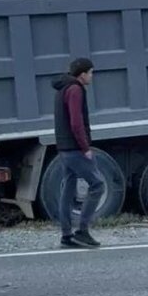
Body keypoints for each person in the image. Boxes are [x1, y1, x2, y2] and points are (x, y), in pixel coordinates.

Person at [52, 57, 104, 248]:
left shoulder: (63, 88)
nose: (91, 76)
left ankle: (66, 235)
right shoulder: (75, 90)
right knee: (97, 185)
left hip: (64, 147)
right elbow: (76, 122)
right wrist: (85, 148)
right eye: (90, 72)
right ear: (82, 74)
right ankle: (82, 231)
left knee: (68, 189)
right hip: (75, 148)